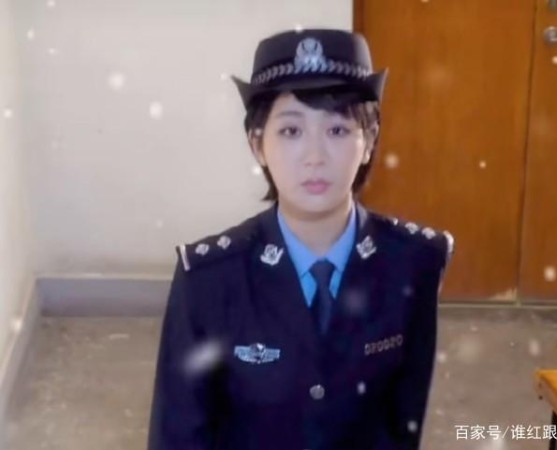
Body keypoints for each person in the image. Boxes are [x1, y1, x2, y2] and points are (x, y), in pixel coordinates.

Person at [147, 28, 455, 450]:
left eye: (338, 130)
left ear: (369, 141)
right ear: (258, 144)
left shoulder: (414, 262)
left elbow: (404, 424)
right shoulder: (208, 279)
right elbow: (178, 436)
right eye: (291, 131)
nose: (315, 157)